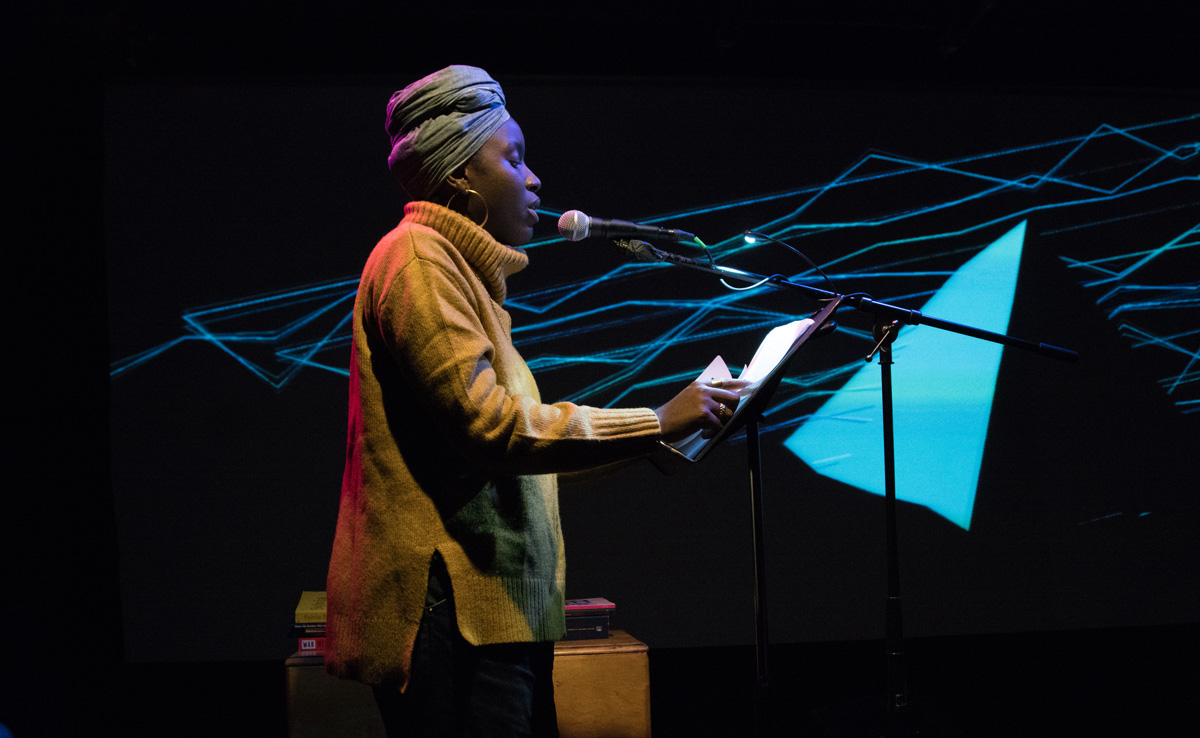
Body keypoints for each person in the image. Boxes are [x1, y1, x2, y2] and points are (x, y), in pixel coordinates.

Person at [324, 65, 745, 737]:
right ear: (461, 174)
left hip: (489, 621)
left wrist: (659, 436)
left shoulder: (459, 277)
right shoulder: (419, 260)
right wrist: (655, 419)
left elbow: (511, 463)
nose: (535, 179)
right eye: (513, 157)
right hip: (454, 619)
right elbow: (493, 431)